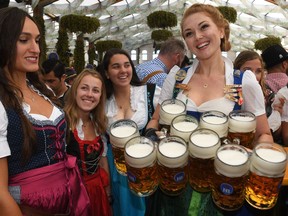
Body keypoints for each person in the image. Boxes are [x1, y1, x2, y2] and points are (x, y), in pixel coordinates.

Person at [145, 3, 273, 216]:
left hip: (226, 189)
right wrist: (151, 137)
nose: (198, 36)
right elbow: (155, 121)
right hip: (176, 187)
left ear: (221, 30)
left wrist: (257, 155)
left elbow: (264, 134)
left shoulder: (245, 81)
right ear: (185, 41)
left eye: (204, 27)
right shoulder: (176, 77)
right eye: (189, 33)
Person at [0, 7, 90, 215]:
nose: (36, 49)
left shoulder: (42, 89)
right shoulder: (2, 103)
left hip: (68, 201)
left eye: (37, 40)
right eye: (24, 40)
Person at [98, 48, 160, 216]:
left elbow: (164, 122)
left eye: (127, 65)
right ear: (107, 73)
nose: (123, 70)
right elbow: (101, 141)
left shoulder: (149, 93)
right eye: (116, 66)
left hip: (145, 162)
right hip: (116, 165)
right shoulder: (102, 102)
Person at [64, 68, 112, 216]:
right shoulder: (63, 122)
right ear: (75, 91)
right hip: (73, 193)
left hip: (97, 190)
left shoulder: (99, 123)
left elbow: (102, 160)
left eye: (96, 90)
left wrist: (108, 191)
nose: (89, 94)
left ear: (100, 96)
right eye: (84, 88)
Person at [234, 50, 285, 144]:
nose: (253, 75)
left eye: (258, 71)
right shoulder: (230, 95)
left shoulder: (269, 96)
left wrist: (277, 114)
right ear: (236, 71)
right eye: (247, 71)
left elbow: (276, 134)